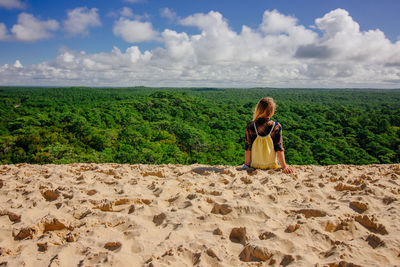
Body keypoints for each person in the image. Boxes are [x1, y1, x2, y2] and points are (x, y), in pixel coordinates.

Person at [243, 97, 294, 174]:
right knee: (277, 161)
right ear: (272, 111)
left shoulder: (250, 125)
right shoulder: (276, 126)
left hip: (255, 165)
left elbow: (248, 147)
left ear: (258, 109)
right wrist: (284, 167)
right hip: (272, 165)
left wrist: (247, 164)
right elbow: (279, 148)